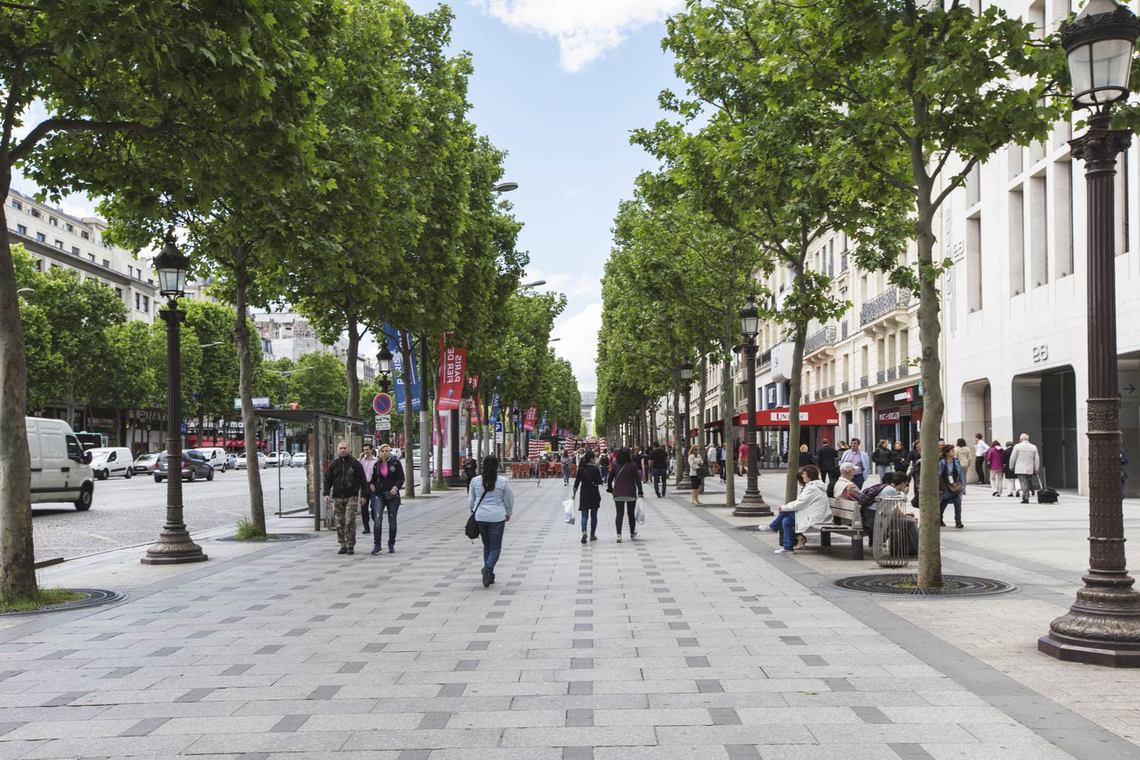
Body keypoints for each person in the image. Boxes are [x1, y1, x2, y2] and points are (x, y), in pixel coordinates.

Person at [468, 455, 514, 587]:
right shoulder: (503, 481)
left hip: (480, 517)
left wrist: (473, 511)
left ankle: (489, 574)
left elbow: (471, 500)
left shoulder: (475, 481)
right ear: (497, 465)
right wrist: (508, 512)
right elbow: (509, 499)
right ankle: (487, 569)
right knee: (495, 547)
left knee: (487, 546)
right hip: (497, 517)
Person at [768, 464, 830, 554]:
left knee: (785, 512)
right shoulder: (812, 486)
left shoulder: (813, 488)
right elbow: (800, 502)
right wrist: (785, 507)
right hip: (812, 513)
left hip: (816, 517)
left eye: (804, 474)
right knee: (786, 521)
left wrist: (784, 507)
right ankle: (788, 548)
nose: (802, 476)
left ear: (809, 475)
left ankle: (773, 526)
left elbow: (800, 503)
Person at [323, 440, 369, 556]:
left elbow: (363, 480)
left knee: (350, 520)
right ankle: (342, 544)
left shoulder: (355, 464)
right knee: (339, 522)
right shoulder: (334, 464)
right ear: (337, 450)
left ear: (349, 449)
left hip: (351, 496)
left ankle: (350, 544)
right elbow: (328, 480)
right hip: (337, 497)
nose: (343, 450)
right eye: (341, 448)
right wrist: (326, 493)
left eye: (344, 448)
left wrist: (364, 495)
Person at [369, 444, 405, 554]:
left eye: (386, 451)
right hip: (379, 494)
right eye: (382, 451)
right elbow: (373, 478)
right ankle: (377, 544)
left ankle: (391, 544)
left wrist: (396, 487)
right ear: (379, 453)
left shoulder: (395, 463)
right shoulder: (376, 465)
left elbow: (401, 478)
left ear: (390, 452)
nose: (384, 453)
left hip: (392, 494)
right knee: (377, 520)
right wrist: (371, 484)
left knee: (392, 520)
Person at [574, 450, 604, 543]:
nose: (595, 460)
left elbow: (577, 481)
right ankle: (592, 535)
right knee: (594, 515)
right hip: (594, 494)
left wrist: (574, 492)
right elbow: (600, 481)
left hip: (584, 493)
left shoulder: (581, 468)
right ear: (591, 459)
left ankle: (584, 532)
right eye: (594, 458)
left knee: (584, 515)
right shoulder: (595, 469)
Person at [938, 443, 966, 528]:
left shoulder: (956, 462)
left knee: (958, 504)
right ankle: (940, 519)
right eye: (952, 451)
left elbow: (960, 474)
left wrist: (962, 485)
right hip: (946, 487)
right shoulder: (942, 463)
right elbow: (939, 475)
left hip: (956, 486)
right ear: (947, 453)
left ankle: (958, 522)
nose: (954, 452)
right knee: (943, 504)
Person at [1009, 433, 1041, 504]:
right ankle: (1026, 495)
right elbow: (1037, 459)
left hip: (1020, 468)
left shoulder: (1017, 446)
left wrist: (1011, 466)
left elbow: (1012, 458)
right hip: (1030, 468)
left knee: (1023, 483)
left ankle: (1026, 497)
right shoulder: (1033, 447)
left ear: (1021, 439)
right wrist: (1036, 468)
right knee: (1028, 482)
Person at [358, 444, 378, 535]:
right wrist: (360, 458)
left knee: (374, 506)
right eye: (364, 450)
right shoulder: (362, 461)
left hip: (373, 484)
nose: (366, 451)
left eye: (367, 449)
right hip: (364, 485)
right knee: (363, 507)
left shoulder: (376, 461)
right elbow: (357, 468)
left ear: (371, 450)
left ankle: (376, 523)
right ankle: (366, 527)